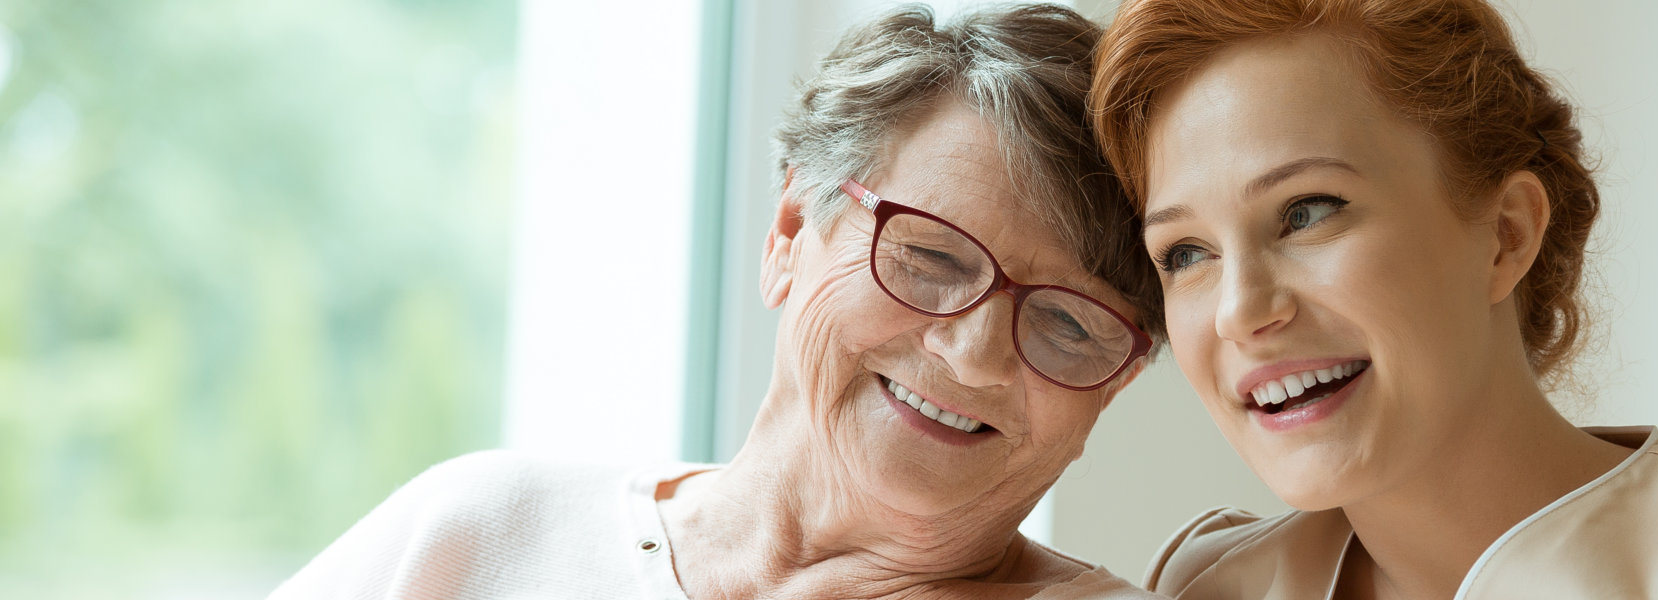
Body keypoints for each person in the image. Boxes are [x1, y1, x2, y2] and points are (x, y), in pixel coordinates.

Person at [270, 4, 1167, 599]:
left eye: (1067, 323)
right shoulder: (482, 531)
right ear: (787, 232)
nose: (973, 353)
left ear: (1117, 382)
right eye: (930, 256)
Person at [1087, 0, 1658, 598]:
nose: (1239, 310)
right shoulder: (1207, 587)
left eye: (1307, 212)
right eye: (1184, 253)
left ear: (1507, 235)